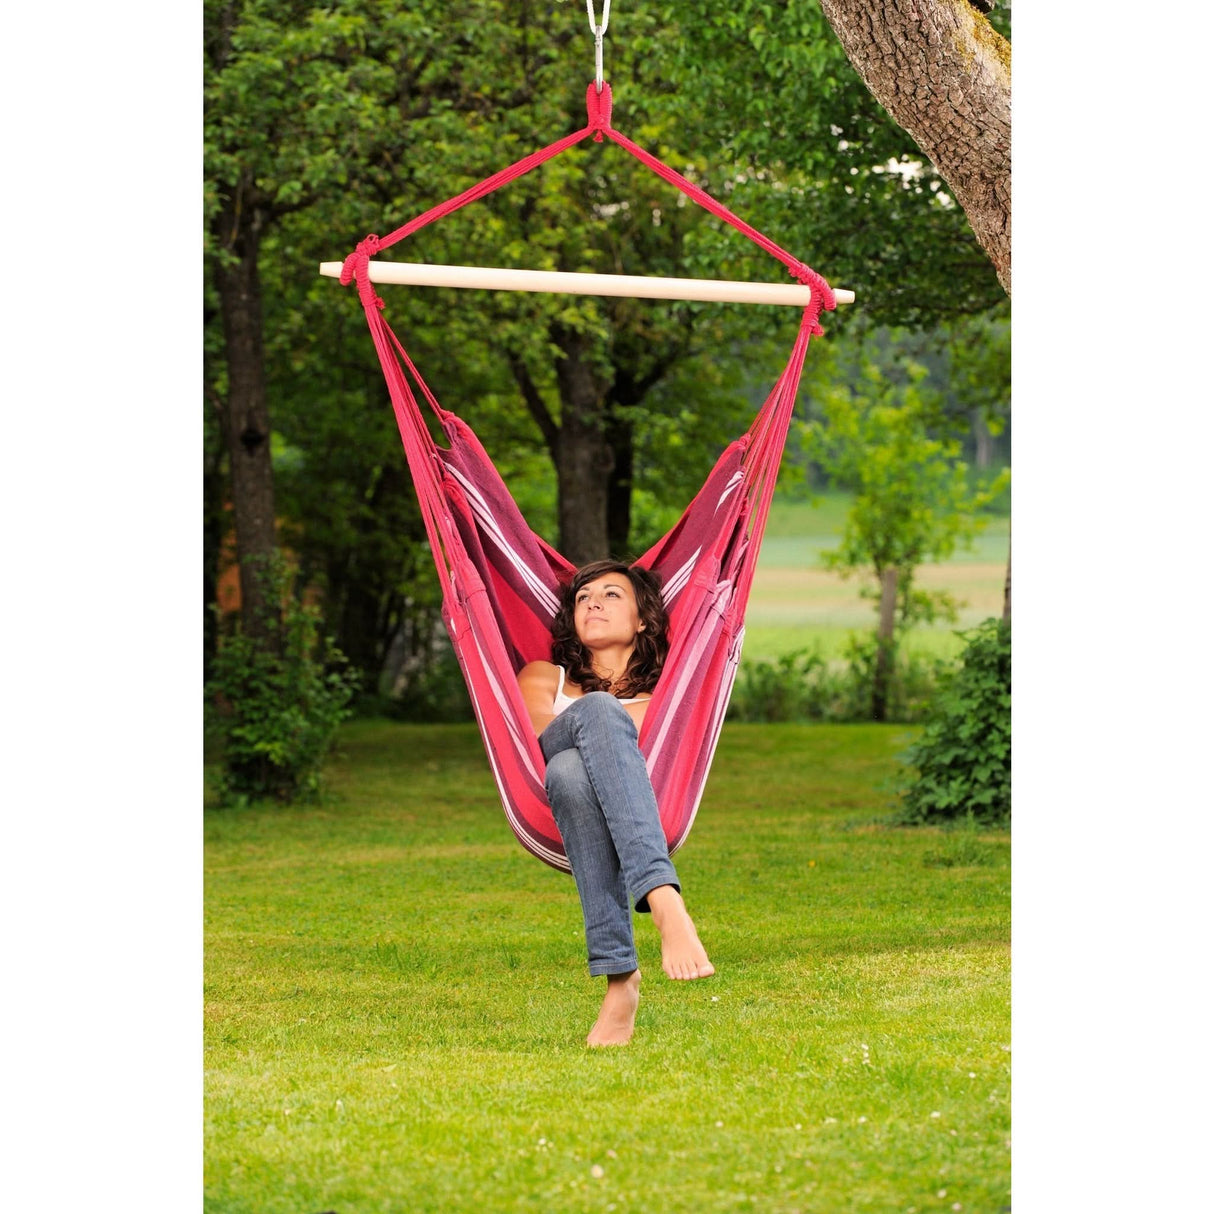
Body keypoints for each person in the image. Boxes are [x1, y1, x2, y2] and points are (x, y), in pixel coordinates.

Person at [517, 559, 715, 1047]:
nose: (594, 603)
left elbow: (635, 757)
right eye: (583, 597)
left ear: (643, 619)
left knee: (569, 771)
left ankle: (620, 978)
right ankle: (663, 898)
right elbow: (539, 734)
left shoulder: (667, 696)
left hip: (596, 799)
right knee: (596, 714)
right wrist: (597, 711)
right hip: (553, 790)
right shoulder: (546, 675)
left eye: (611, 595)